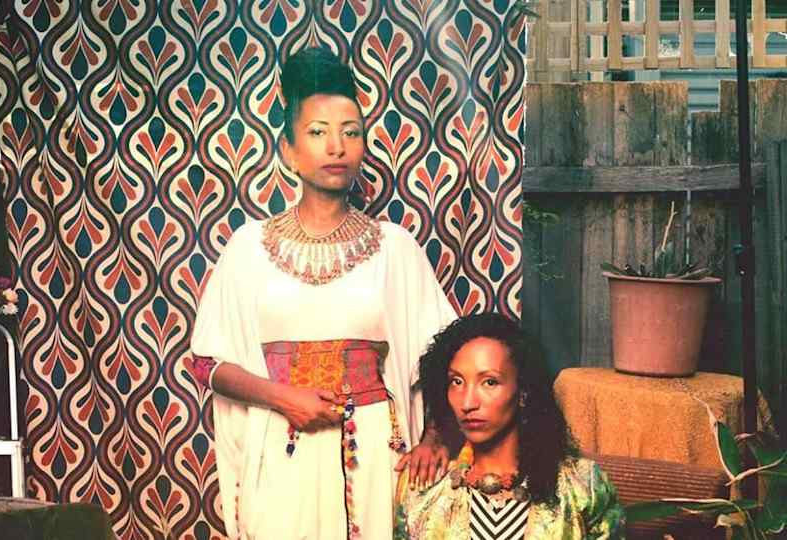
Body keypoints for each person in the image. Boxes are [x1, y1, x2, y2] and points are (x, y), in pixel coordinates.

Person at [190, 47, 456, 539]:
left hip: (374, 449)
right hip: (282, 443)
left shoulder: (394, 248)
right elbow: (208, 364)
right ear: (289, 151)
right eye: (317, 133)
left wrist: (435, 437)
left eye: (350, 132)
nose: (336, 146)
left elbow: (445, 354)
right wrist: (283, 398)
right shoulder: (248, 248)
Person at [395, 313, 625, 539]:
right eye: (457, 382)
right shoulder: (423, 500)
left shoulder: (584, 487)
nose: (467, 403)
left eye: (489, 382)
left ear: (523, 391)